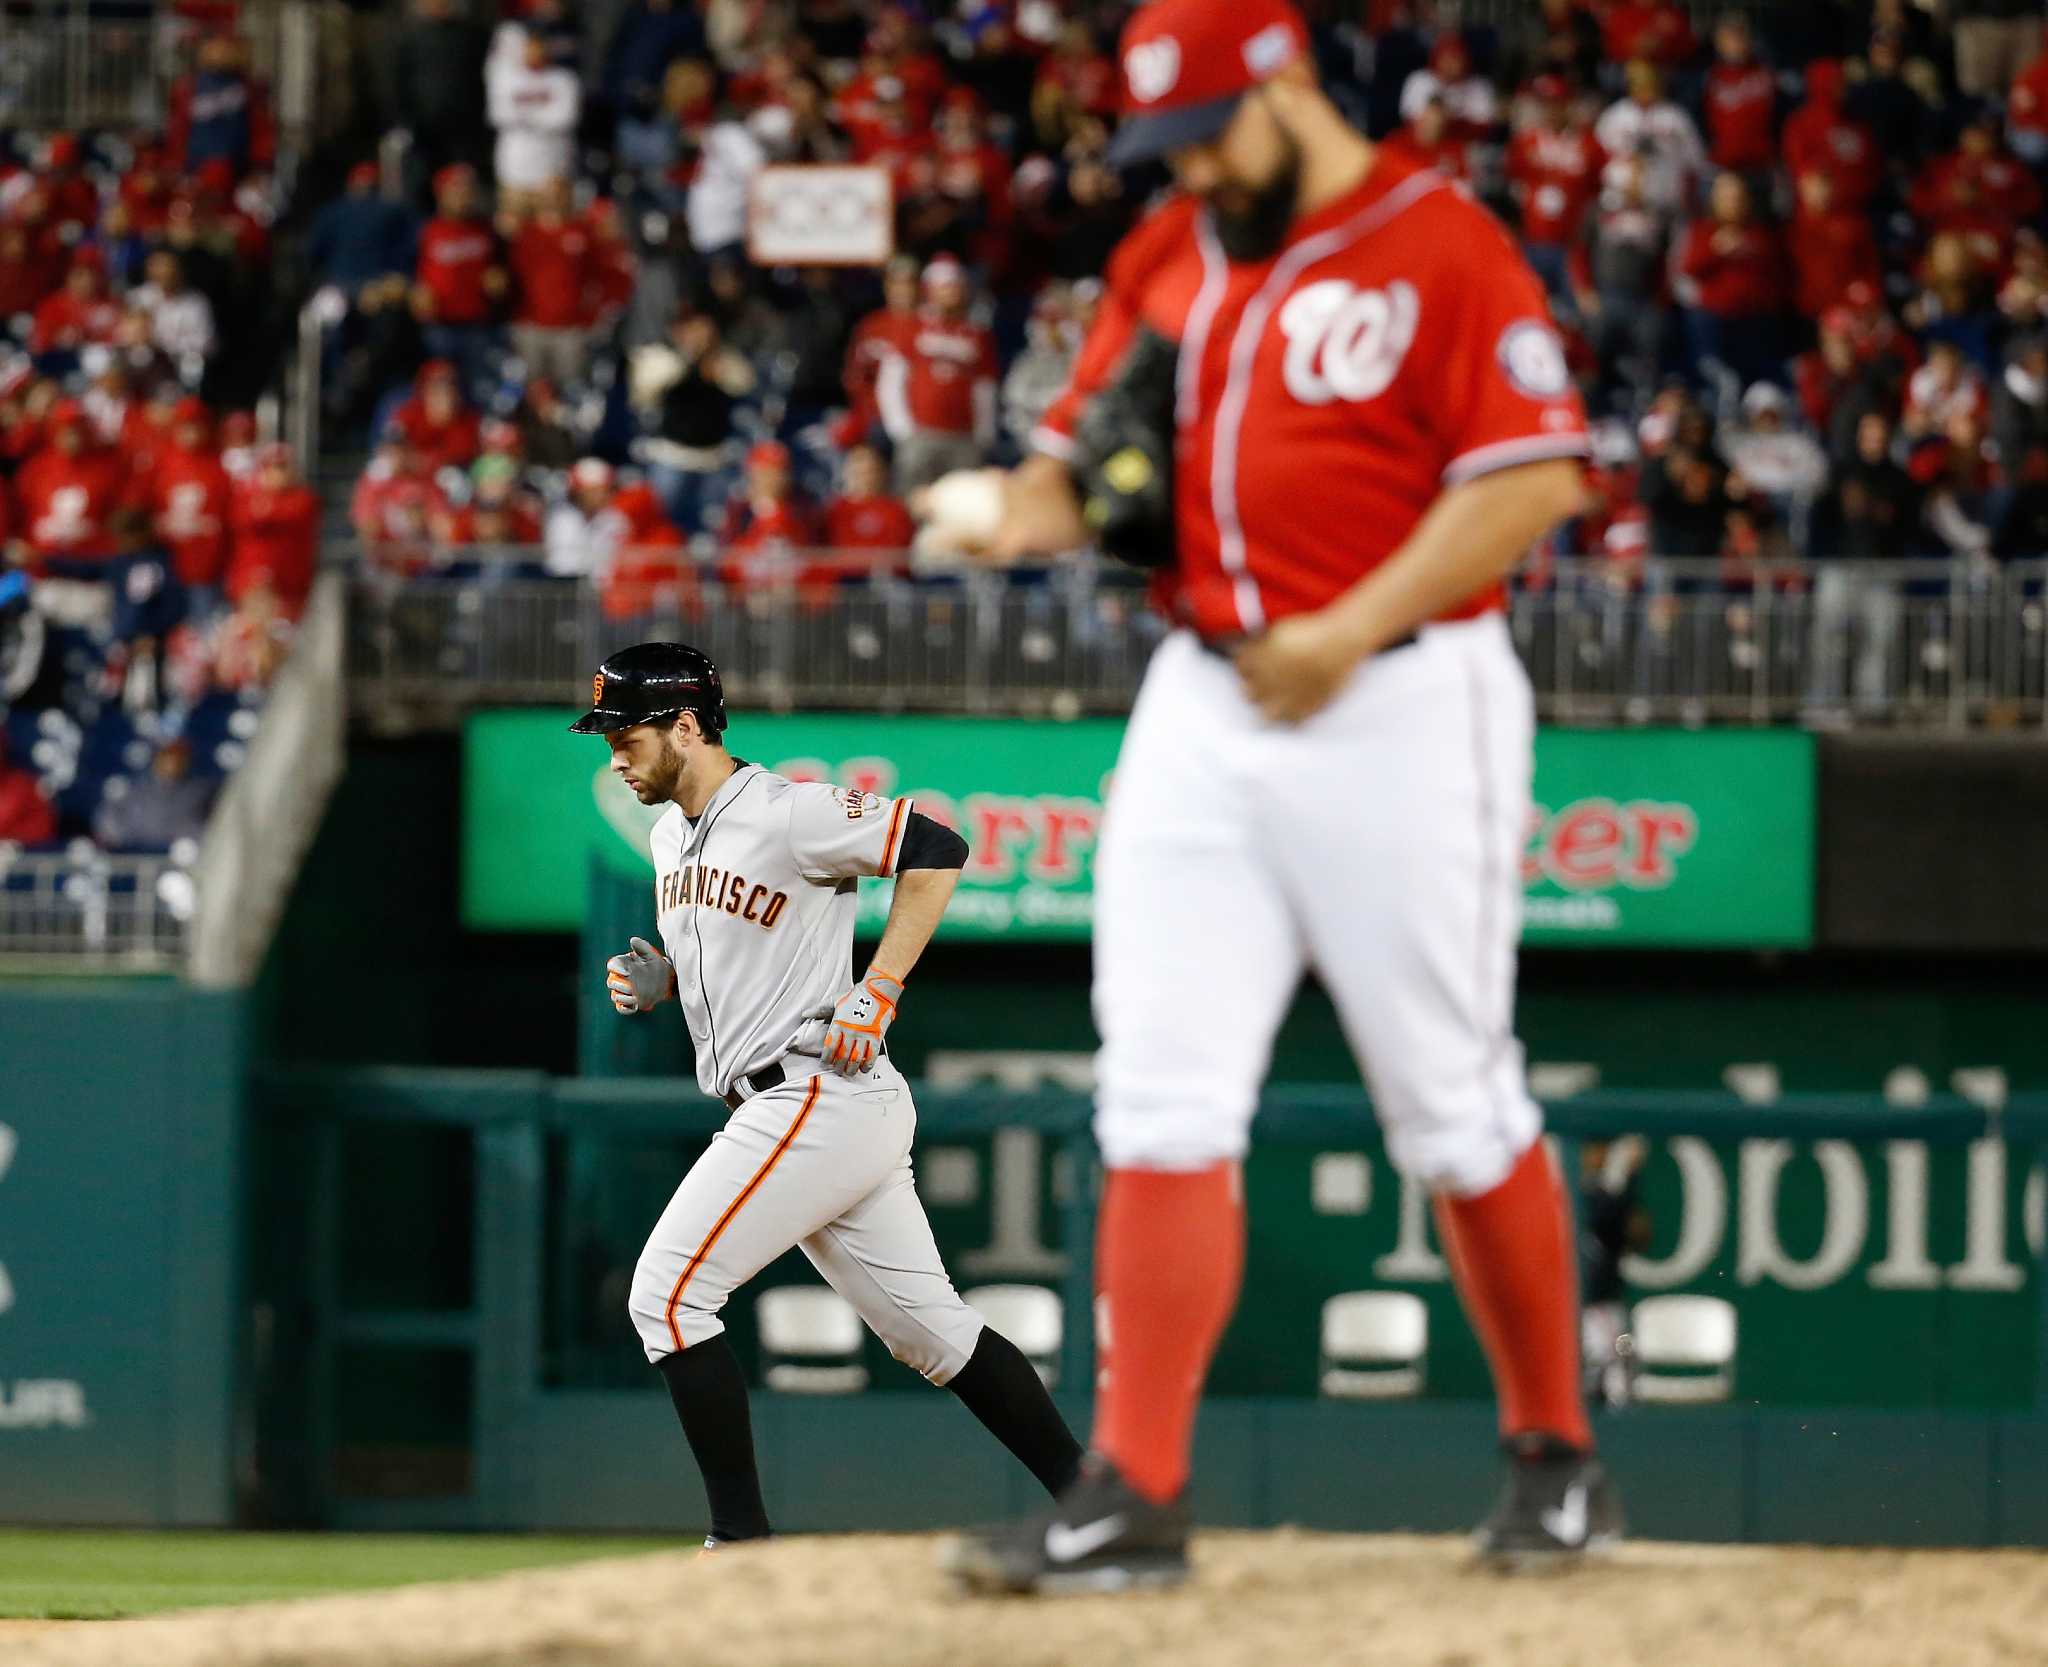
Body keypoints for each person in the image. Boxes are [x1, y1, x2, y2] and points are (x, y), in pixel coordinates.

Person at [932, 0, 1617, 1593]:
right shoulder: (1176, 250)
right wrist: (1008, 509)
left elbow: (1532, 478)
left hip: (1404, 695)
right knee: (1159, 1091)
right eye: (1166, 144)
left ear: (1289, 86)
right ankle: (1134, 1491)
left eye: (1207, 133)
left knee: (1450, 1097)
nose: (1189, 169)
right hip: (1204, 691)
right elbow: (1080, 456)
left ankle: (1556, 1457)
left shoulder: (1440, 244)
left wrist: (1349, 629)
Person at [576, 642, 1084, 1547]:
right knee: (933, 1335)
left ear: (688, 726)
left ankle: (740, 1542)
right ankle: (1095, 1506)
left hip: (814, 1090)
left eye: (629, 729)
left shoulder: (787, 811)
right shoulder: (664, 836)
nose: (614, 750)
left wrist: (880, 986)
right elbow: (734, 950)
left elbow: (936, 847)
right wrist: (665, 982)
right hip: (811, 1106)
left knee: (667, 1296)